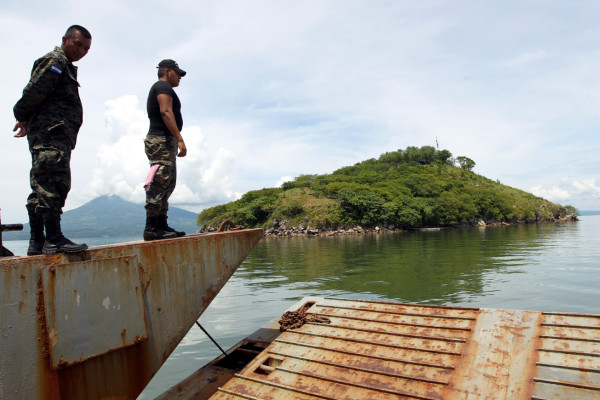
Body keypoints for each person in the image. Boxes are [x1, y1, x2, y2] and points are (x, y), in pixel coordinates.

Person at [13, 25, 92, 255]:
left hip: (56, 134)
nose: (82, 51)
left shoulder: (64, 65)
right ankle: (54, 238)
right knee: (52, 184)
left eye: (86, 48)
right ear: (65, 39)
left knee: (42, 184)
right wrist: (23, 116)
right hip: (50, 133)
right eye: (78, 44)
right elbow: (33, 92)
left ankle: (37, 241)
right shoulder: (55, 62)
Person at [143, 59, 188, 240]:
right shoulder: (162, 87)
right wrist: (180, 139)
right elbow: (166, 112)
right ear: (167, 71)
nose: (180, 78)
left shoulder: (165, 88)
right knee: (160, 182)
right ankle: (152, 228)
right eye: (178, 74)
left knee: (167, 183)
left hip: (164, 141)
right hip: (160, 140)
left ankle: (161, 224)